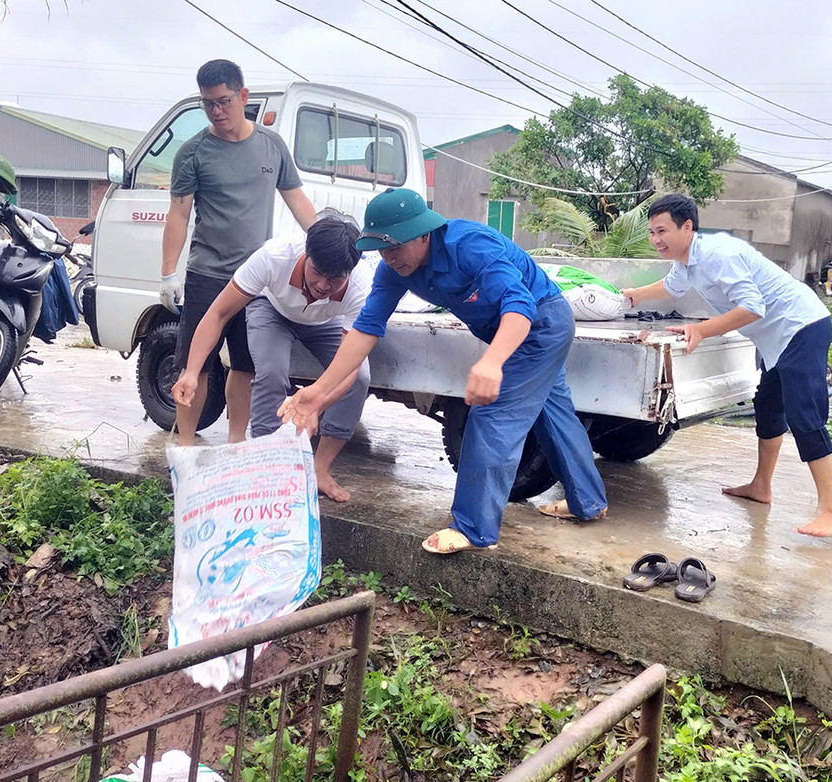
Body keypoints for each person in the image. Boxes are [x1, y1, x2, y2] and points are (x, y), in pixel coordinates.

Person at [277, 188, 608, 554]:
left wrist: (492, 361)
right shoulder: (394, 269)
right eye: (381, 249)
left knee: (493, 417)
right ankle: (589, 501)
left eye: (395, 246)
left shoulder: (470, 246)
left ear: (424, 234)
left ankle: (473, 529)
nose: (389, 257)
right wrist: (318, 391)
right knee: (552, 411)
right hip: (509, 329)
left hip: (540, 323)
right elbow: (367, 328)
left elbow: (520, 305)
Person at [621, 194, 832, 538]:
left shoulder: (717, 255)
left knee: (805, 414)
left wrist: (701, 329)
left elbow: (753, 307)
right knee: (769, 407)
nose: (656, 240)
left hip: (801, 326)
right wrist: (635, 293)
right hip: (777, 338)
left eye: (662, 231)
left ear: (687, 226)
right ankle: (761, 486)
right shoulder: (687, 262)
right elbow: (671, 286)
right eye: (652, 232)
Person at [161, 58, 318, 446]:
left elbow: (298, 202)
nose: (217, 111)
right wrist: (167, 274)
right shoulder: (194, 152)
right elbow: (178, 214)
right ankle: (185, 445)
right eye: (208, 104)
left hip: (256, 280)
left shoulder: (271, 146)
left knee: (245, 366)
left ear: (243, 96)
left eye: (224, 101)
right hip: (207, 274)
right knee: (194, 366)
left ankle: (236, 444)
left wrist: (326, 243)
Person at [170, 219, 372, 503]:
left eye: (336, 279)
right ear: (306, 253)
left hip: (326, 321)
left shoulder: (361, 285)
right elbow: (219, 313)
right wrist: (191, 372)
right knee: (271, 371)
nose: (323, 285)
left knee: (361, 378)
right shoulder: (273, 257)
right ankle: (263, 461)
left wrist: (319, 402)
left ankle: (320, 469)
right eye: (318, 272)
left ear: (350, 272)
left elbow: (350, 364)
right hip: (273, 310)